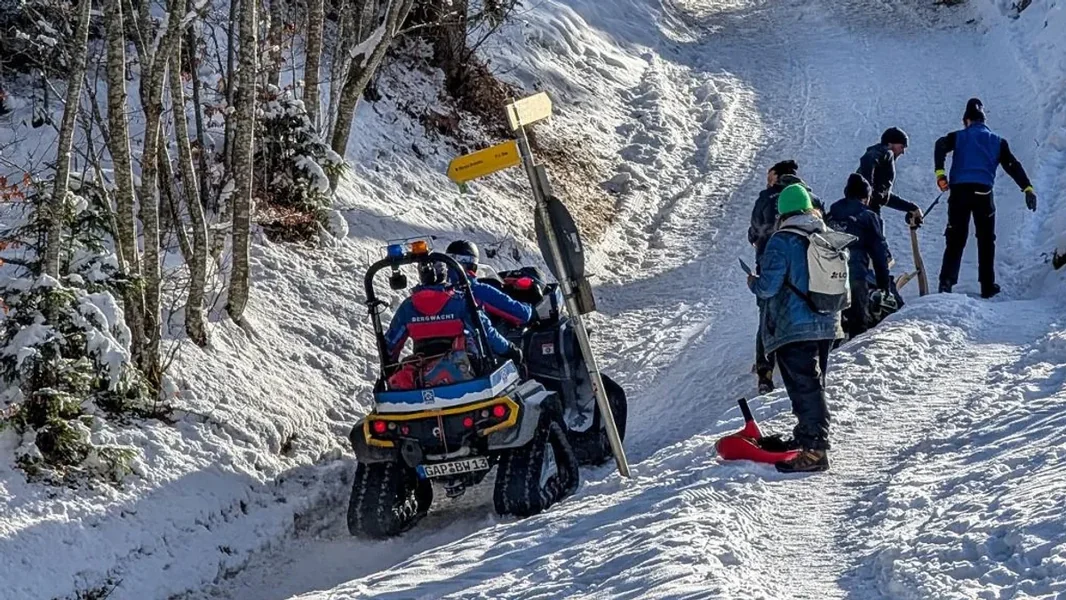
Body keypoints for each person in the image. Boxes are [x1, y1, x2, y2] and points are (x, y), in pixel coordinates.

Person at [748, 184, 844, 473]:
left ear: (782, 213)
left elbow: (768, 287)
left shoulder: (782, 240)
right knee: (814, 385)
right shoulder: (825, 235)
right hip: (827, 322)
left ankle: (814, 451)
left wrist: (753, 281)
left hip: (794, 325)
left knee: (805, 387)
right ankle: (807, 438)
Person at [934, 98, 1037, 298]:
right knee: (986, 239)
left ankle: (946, 283)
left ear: (966, 120)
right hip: (983, 193)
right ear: (984, 120)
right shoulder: (998, 141)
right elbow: (1012, 165)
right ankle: (987, 286)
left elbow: (940, 145)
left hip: (959, 192)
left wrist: (940, 174)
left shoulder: (959, 137)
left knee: (955, 237)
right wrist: (1027, 188)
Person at [747, 160, 824, 394]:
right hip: (806, 266)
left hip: (769, 262)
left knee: (767, 313)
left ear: (779, 177)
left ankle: (765, 370)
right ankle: (814, 362)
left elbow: (754, 230)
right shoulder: (813, 199)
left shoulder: (766, 199)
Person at [385, 260, 521, 371]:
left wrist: (390, 369)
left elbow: (391, 345)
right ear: (445, 274)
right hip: (464, 374)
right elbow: (486, 333)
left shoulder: (408, 307)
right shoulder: (460, 302)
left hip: (423, 375)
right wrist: (510, 350)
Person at [827, 174, 892, 339]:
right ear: (866, 197)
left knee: (831, 325)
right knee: (858, 326)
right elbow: (879, 254)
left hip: (827, 276)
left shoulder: (830, 215)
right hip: (855, 275)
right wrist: (885, 286)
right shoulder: (868, 217)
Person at [445, 239, 533, 328]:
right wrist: (529, 306)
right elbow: (523, 314)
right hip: (474, 339)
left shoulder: (439, 289)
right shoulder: (477, 290)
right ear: (472, 265)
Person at [857, 127, 925, 226]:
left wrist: (911, 207)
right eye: (902, 147)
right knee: (875, 240)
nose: (903, 152)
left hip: (866, 213)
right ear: (890, 144)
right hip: (865, 215)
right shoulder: (885, 152)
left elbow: (883, 195)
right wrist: (867, 192)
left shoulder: (882, 163)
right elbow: (868, 159)